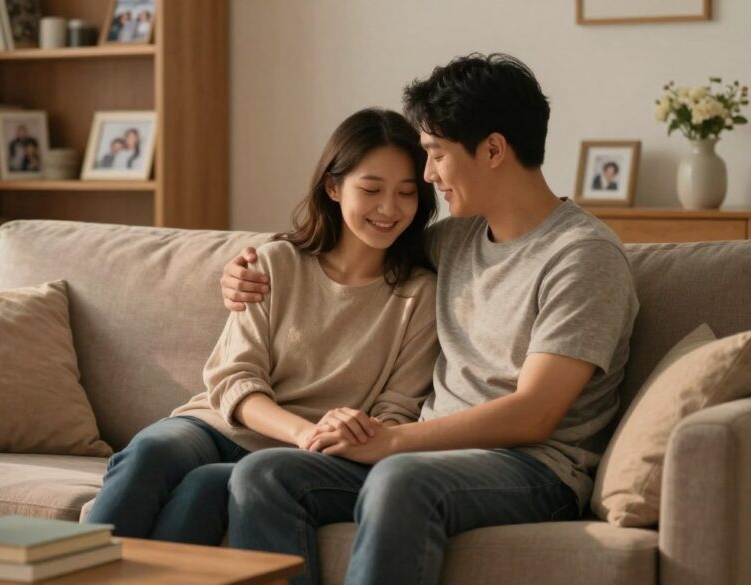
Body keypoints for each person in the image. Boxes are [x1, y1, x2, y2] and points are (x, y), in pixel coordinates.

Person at [219, 53, 638, 585]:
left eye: (436, 154)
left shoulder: (583, 256)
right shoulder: (455, 239)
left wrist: (392, 442)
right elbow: (348, 250)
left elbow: (535, 414)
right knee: (264, 475)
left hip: (533, 468)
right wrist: (245, 271)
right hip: (427, 455)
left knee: (400, 480)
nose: (427, 175)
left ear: (492, 149)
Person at [86, 108, 441, 547]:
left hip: (302, 459)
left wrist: (346, 433)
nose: (389, 208)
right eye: (371, 189)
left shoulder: (420, 295)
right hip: (221, 426)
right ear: (333, 187)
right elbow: (236, 378)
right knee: (150, 451)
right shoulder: (273, 263)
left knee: (204, 490)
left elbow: (397, 410)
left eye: (407, 193)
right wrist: (300, 430)